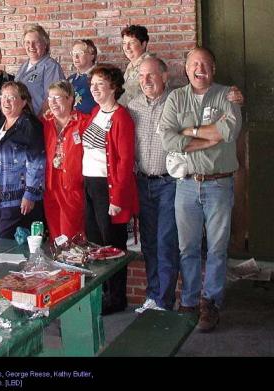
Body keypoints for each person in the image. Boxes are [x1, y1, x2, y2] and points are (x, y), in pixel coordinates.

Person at [160, 47, 242, 332]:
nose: (200, 69)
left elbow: (228, 132)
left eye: (206, 64)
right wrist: (207, 135)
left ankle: (211, 303)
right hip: (186, 186)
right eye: (194, 64)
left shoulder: (228, 95)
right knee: (188, 249)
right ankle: (190, 300)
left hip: (219, 184)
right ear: (186, 68)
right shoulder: (176, 97)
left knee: (218, 249)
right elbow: (168, 138)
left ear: (214, 69)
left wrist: (190, 131)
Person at [82, 64, 138, 313]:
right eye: (92, 84)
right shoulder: (95, 112)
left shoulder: (121, 117)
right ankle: (103, 292)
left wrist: (117, 199)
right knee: (95, 244)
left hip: (109, 188)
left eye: (100, 84)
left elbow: (125, 162)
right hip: (90, 184)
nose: (94, 89)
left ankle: (116, 297)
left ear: (113, 87)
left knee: (113, 246)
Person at [128, 57, 179, 313]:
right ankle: (152, 295)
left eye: (151, 75)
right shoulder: (133, 106)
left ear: (164, 76)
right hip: (142, 183)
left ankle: (165, 301)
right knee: (148, 243)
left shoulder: (177, 102)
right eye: (141, 76)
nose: (145, 80)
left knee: (166, 241)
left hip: (169, 183)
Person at [0, 81, 45, 239]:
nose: (6, 101)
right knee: (2, 236)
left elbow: (37, 162)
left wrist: (30, 194)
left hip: (16, 194)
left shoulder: (29, 125)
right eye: (3, 96)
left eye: (11, 97)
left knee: (4, 239)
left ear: (23, 101)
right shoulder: (1, 121)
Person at [41, 80, 90, 241]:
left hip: (72, 187)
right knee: (56, 238)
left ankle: (71, 267)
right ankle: (60, 266)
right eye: (50, 98)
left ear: (70, 99)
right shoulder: (44, 123)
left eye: (57, 97)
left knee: (71, 237)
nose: (52, 103)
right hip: (50, 185)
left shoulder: (83, 122)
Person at [15, 24, 65, 116]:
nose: (31, 46)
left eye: (36, 42)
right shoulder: (24, 66)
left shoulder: (51, 66)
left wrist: (37, 124)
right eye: (27, 42)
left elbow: (51, 100)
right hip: (22, 122)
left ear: (45, 44)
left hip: (38, 123)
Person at [118, 25, 153, 106]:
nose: (127, 47)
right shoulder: (131, 64)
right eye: (124, 43)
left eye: (132, 43)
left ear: (143, 44)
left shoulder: (149, 65)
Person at [67, 39, 98, 114]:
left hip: (93, 122)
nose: (76, 56)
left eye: (80, 53)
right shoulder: (70, 79)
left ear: (92, 56)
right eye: (74, 53)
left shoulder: (101, 77)